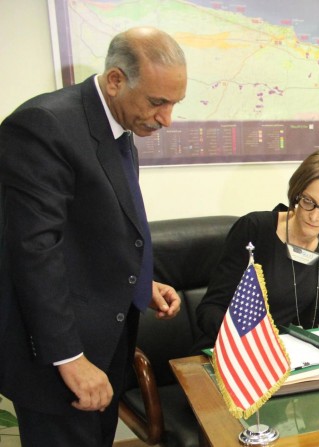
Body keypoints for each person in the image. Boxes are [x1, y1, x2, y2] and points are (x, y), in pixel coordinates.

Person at [0, 27, 185, 446]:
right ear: (117, 80)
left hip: (105, 348)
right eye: (158, 102)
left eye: (174, 104)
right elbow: (33, 251)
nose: (166, 118)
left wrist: (141, 282)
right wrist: (70, 359)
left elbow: (92, 233)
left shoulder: (119, 124)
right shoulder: (45, 125)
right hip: (59, 360)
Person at [195, 149, 319, 350]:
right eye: (308, 201)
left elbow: (299, 303)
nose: (314, 217)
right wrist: (250, 341)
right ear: (296, 194)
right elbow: (210, 309)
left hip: (293, 353)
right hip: (237, 353)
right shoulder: (255, 229)